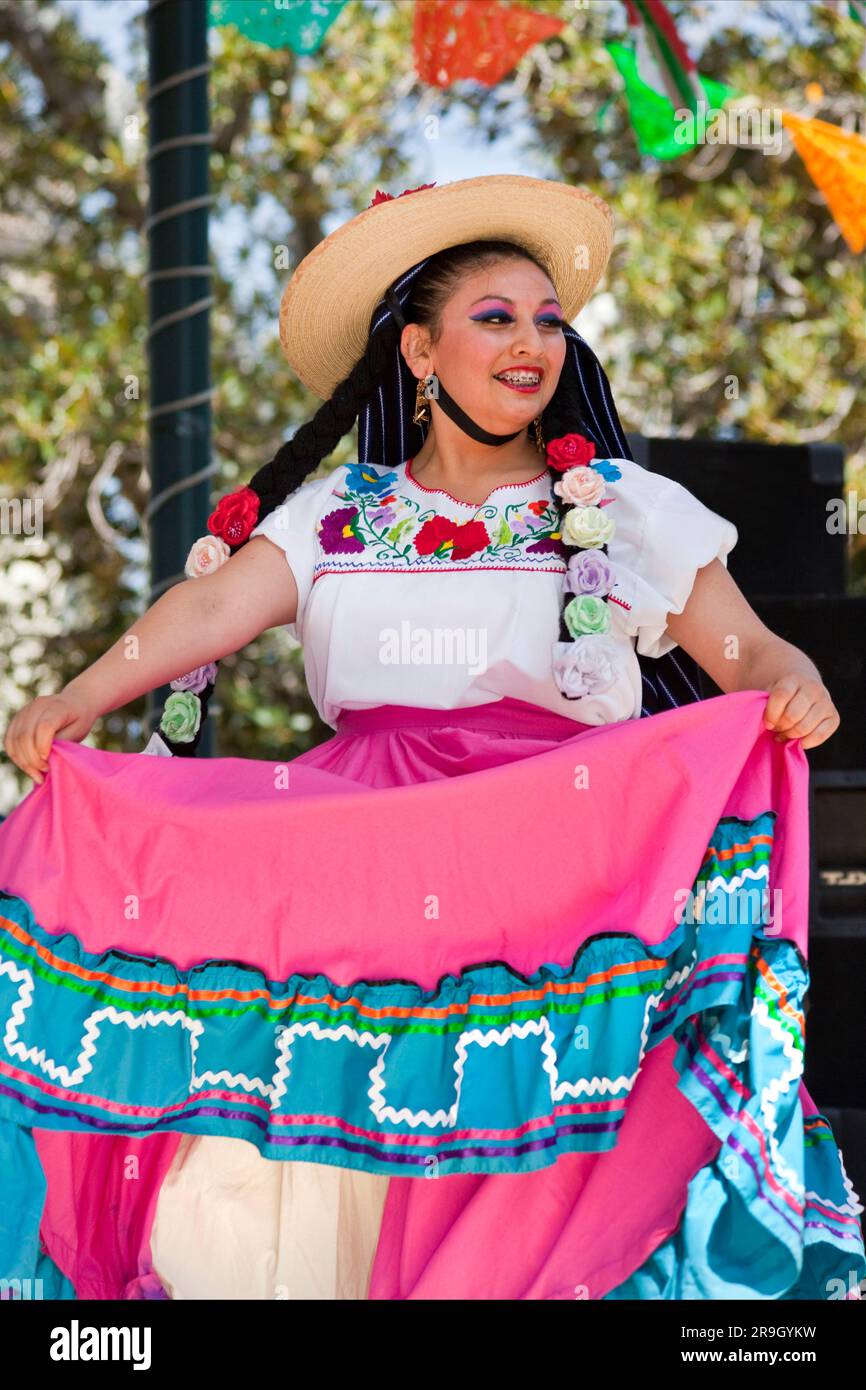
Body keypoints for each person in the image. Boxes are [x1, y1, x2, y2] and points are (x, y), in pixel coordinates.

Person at [1, 175, 863, 1302]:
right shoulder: (335, 516)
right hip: (360, 850)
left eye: (549, 319)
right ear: (417, 351)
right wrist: (77, 696)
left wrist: (793, 677)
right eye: (495, 316)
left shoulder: (622, 507)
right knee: (303, 1149)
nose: (532, 342)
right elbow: (208, 609)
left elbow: (742, 651)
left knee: (538, 1151)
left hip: (557, 854)